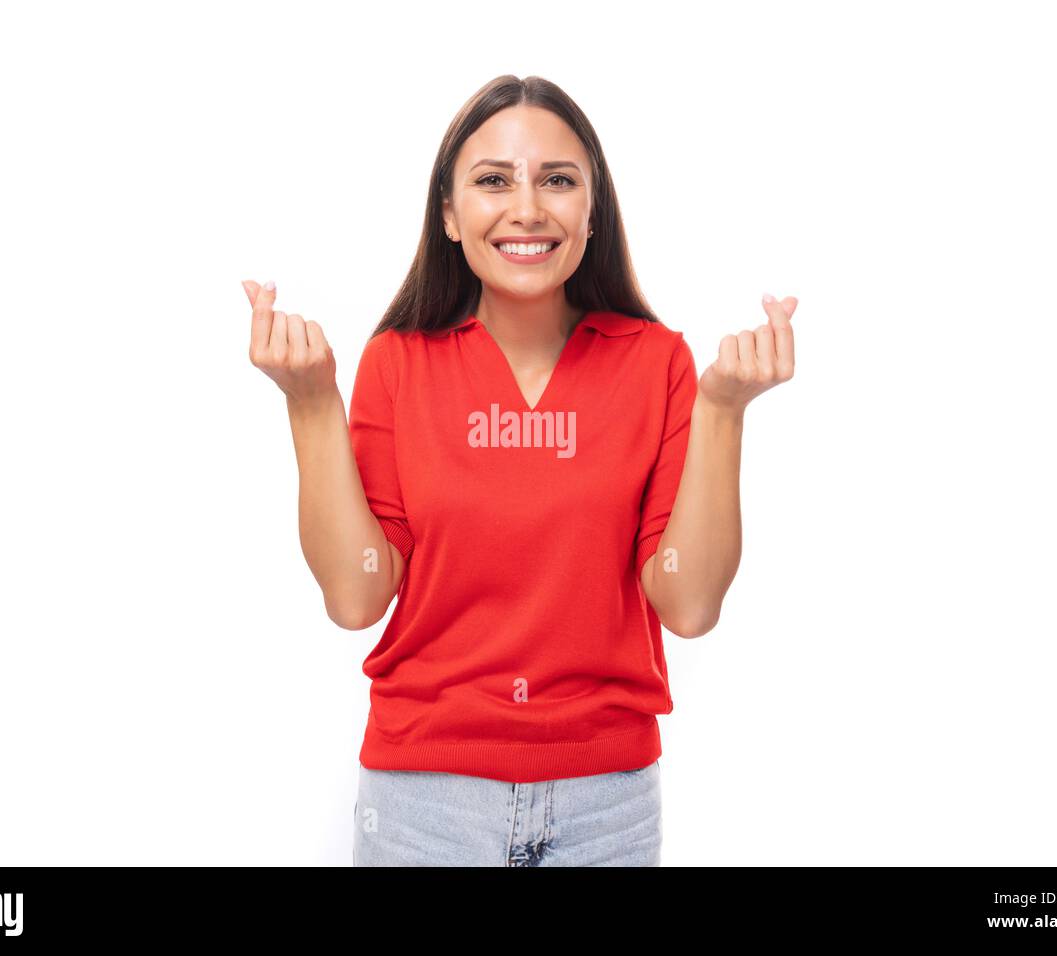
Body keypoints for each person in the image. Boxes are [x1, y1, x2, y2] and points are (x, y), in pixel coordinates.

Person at [242, 75, 796, 866]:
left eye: (559, 181)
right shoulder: (400, 364)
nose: (527, 208)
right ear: (449, 213)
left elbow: (691, 603)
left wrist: (723, 412)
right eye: (494, 180)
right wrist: (310, 406)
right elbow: (357, 594)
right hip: (423, 805)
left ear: (593, 210)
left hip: (608, 806)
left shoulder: (658, 365)